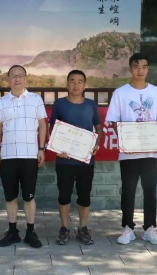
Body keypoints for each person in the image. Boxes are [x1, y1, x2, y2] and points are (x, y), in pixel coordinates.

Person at [105, 53, 157, 245]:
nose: (140, 70)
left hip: (151, 151)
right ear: (130, 68)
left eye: (144, 66)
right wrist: (126, 141)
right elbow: (115, 121)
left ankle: (150, 228)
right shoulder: (121, 93)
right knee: (128, 190)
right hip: (129, 152)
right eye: (136, 66)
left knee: (150, 190)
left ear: (148, 69)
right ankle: (128, 228)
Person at [0, 65, 47, 248]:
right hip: (7, 155)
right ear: (8, 79)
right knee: (10, 196)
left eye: (20, 76)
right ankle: (13, 231)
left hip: (30, 155)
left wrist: (41, 149)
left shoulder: (35, 99)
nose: (17, 79)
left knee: (29, 196)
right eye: (13, 76)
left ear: (26, 78)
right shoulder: (2, 102)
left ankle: (31, 232)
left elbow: (42, 125)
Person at [49, 70, 102, 245]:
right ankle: (64, 228)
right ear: (67, 84)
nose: (76, 84)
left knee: (84, 195)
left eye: (80, 81)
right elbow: (53, 129)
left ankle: (83, 228)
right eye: (72, 81)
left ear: (85, 85)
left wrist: (96, 144)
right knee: (64, 195)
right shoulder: (59, 104)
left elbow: (98, 128)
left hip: (85, 160)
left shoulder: (91, 105)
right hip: (64, 160)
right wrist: (57, 148)